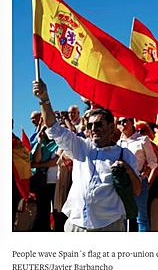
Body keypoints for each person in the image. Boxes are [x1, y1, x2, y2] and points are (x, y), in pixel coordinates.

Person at [32, 80, 141, 232]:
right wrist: (44, 99)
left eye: (98, 124)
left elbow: (136, 190)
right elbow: (54, 129)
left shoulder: (124, 154)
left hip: (109, 225)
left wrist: (127, 168)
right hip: (76, 223)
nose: (93, 129)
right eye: (90, 126)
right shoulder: (81, 146)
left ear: (111, 127)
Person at [117, 117, 158, 232]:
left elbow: (153, 162)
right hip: (123, 182)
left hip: (139, 181)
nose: (122, 124)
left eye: (125, 121)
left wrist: (145, 174)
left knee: (141, 217)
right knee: (122, 216)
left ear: (131, 122)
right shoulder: (118, 143)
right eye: (119, 122)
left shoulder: (143, 139)